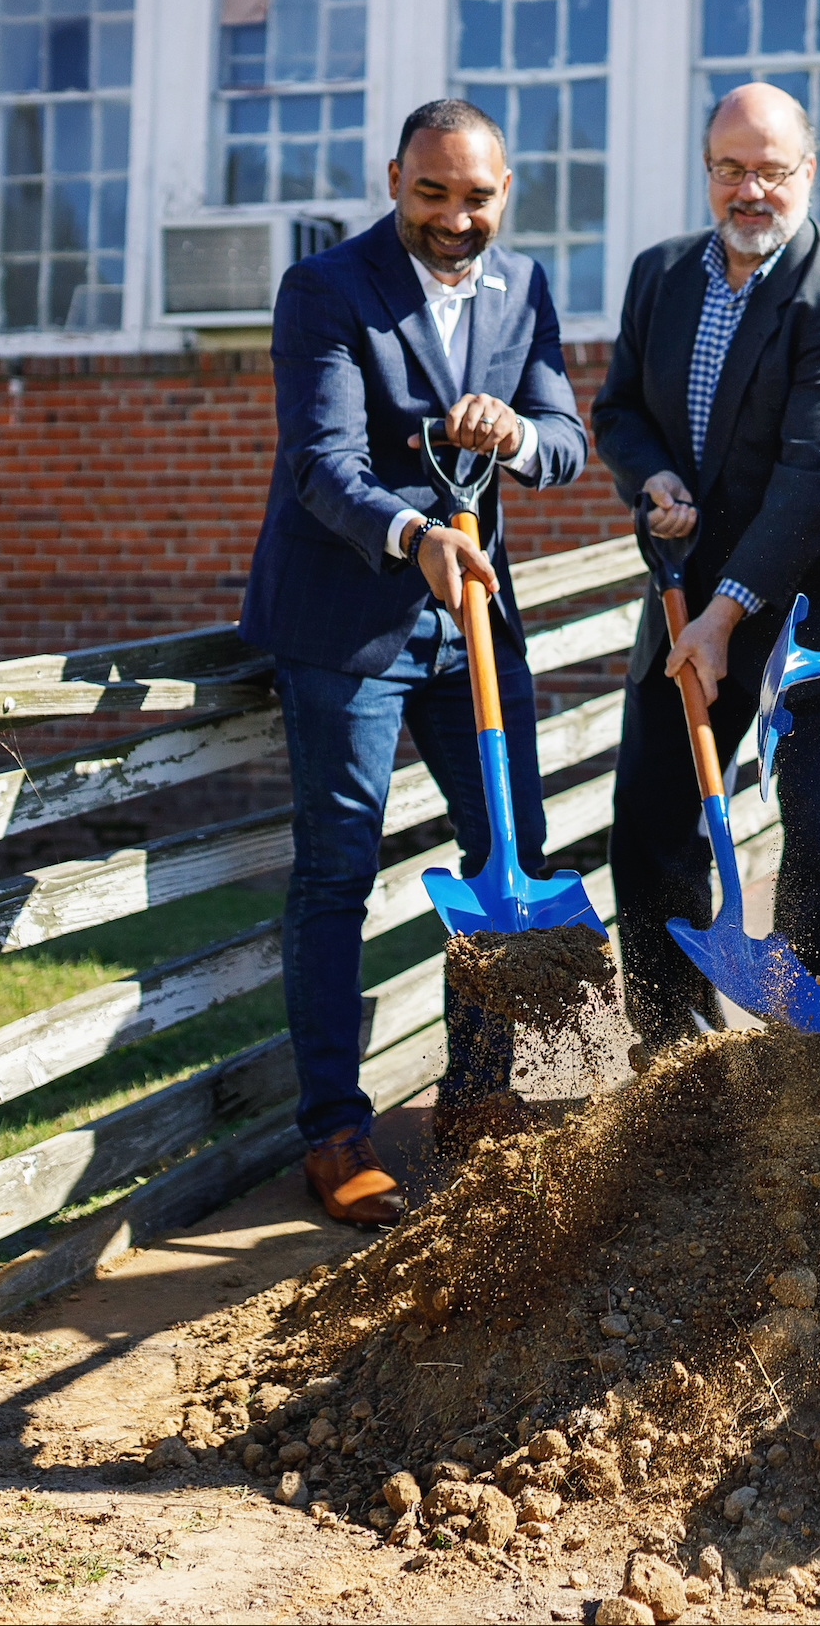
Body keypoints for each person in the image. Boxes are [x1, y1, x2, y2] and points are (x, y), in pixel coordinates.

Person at [240, 98, 587, 1225]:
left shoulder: (522, 286)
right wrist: (414, 533)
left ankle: (481, 1106)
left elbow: (565, 441)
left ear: (504, 191)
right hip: (347, 622)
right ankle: (335, 1135)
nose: (453, 218)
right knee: (338, 869)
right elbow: (322, 465)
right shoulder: (327, 288)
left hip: (473, 620)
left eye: (475, 196)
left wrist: (517, 438)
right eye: (430, 193)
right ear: (394, 179)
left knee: (511, 851)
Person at [591, 83, 820, 1049]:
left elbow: (814, 476)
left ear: (809, 171)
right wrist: (652, 480)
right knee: (651, 808)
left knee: (814, 825)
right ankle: (671, 1044)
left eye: (773, 169)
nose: (752, 189)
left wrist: (727, 614)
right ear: (707, 171)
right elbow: (619, 411)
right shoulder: (661, 275)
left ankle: (796, 1056)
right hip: (690, 586)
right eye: (732, 169)